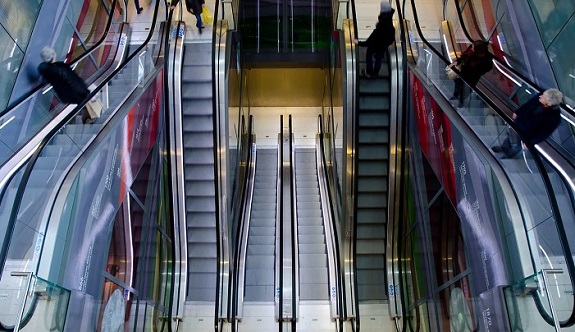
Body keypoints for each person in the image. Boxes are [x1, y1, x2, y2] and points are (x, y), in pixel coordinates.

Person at [491, 89, 563, 158]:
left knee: (515, 146)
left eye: (543, 98)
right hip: (519, 123)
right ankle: (503, 148)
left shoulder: (554, 117)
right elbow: (528, 104)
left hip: (526, 135)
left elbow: (544, 134)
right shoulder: (542, 95)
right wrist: (518, 112)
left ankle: (508, 154)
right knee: (509, 137)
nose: (540, 96)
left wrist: (530, 143)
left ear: (549, 104)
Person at [449, 40, 493, 107]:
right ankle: (455, 96)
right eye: (472, 46)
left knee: (466, 90)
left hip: (471, 78)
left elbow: (487, 68)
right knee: (458, 85)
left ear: (478, 51)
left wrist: (476, 71)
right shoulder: (472, 48)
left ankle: (461, 102)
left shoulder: (487, 59)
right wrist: (457, 62)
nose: (471, 48)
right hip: (462, 72)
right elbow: (464, 56)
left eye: (472, 48)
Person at [357, 2, 395, 79]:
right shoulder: (389, 17)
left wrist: (359, 43)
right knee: (379, 57)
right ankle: (375, 73)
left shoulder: (382, 24)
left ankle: (369, 72)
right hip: (385, 43)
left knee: (369, 53)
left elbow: (370, 41)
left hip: (377, 42)